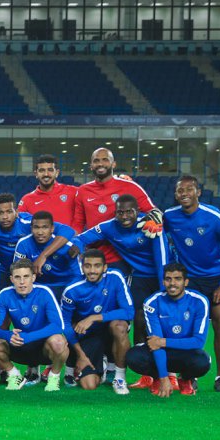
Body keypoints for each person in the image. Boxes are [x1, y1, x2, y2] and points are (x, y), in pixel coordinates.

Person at [163, 175, 220, 393]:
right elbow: (153, 227)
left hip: (216, 278)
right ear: (176, 194)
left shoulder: (214, 216)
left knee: (219, 319)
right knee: (186, 326)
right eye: (180, 190)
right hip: (189, 280)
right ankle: (188, 375)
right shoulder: (169, 216)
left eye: (189, 189)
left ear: (198, 192)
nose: (185, 193)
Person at [69, 194, 168, 349]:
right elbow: (80, 238)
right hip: (138, 277)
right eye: (120, 212)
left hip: (161, 275)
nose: (125, 216)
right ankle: (140, 353)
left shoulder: (150, 224)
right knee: (139, 316)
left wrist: (164, 288)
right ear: (115, 213)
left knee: (164, 316)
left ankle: (171, 365)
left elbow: (162, 259)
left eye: (129, 212)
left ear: (138, 211)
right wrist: (77, 248)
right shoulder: (109, 226)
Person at [126, 263, 211, 397]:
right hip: (161, 352)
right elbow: (155, 344)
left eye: (177, 279)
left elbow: (198, 342)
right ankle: (157, 378)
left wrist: (163, 342)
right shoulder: (152, 302)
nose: (172, 283)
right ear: (163, 281)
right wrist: (164, 378)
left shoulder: (200, 301)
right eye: (168, 279)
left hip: (185, 352)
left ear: (186, 282)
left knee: (202, 361)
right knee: (133, 356)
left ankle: (185, 379)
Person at [0, 259, 69, 392]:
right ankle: (14, 375)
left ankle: (53, 378)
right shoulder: (5, 294)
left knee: (59, 341)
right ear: (11, 279)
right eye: (17, 277)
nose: (22, 282)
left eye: (26, 277)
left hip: (42, 348)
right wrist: (8, 334)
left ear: (33, 277)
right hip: (18, 345)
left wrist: (28, 336)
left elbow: (58, 326)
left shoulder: (44, 292)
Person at [61, 250, 133, 395]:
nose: (92, 270)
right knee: (89, 385)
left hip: (110, 330)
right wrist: (81, 356)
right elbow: (65, 325)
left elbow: (129, 312)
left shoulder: (116, 277)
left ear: (104, 267)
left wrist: (93, 317)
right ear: (82, 267)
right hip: (89, 336)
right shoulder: (72, 290)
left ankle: (119, 378)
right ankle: (102, 364)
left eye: (97, 266)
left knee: (119, 326)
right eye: (87, 266)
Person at [72, 148, 160, 266]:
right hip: (93, 258)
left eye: (105, 160)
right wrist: (75, 244)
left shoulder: (130, 187)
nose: (101, 164)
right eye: (96, 161)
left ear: (113, 164)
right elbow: (78, 223)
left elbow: (152, 211)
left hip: (122, 257)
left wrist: (156, 217)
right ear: (91, 166)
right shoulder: (83, 191)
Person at [0, 193, 74, 285]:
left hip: (29, 270)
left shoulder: (28, 223)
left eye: (9, 212)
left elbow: (68, 230)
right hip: (3, 271)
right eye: (1, 213)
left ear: (17, 212)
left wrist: (43, 255)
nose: (5, 217)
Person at [13, 211, 81, 301]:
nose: (40, 232)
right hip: (38, 287)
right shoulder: (23, 244)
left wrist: (69, 292)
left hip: (64, 285)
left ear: (52, 228)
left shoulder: (64, 245)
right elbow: (17, 272)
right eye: (36, 227)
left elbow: (78, 275)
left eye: (45, 227)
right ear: (31, 228)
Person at [18, 154, 77, 226]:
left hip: (69, 237)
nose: (46, 174)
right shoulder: (26, 200)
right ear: (36, 173)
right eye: (42, 170)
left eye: (50, 170)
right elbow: (20, 226)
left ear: (57, 173)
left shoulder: (73, 192)